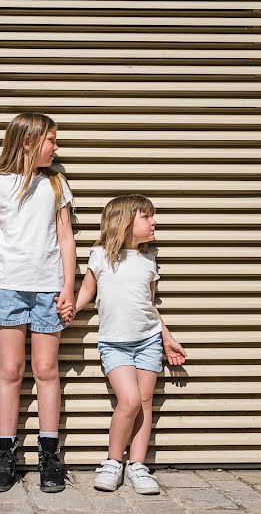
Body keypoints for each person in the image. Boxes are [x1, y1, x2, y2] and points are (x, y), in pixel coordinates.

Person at [0, 112, 76, 493]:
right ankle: (6, 452)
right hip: (8, 286)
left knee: (46, 369)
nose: (56, 148)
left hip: (47, 288)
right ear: (28, 142)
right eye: (51, 140)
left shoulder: (56, 183)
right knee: (10, 369)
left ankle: (49, 453)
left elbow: (66, 240)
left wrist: (69, 287)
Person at [69, 194, 187, 495]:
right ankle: (112, 462)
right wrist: (69, 310)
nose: (154, 222)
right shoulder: (100, 256)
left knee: (145, 403)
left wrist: (167, 337)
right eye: (147, 217)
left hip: (148, 340)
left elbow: (149, 304)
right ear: (124, 222)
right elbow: (86, 292)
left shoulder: (148, 260)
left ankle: (137, 465)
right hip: (115, 343)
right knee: (130, 401)